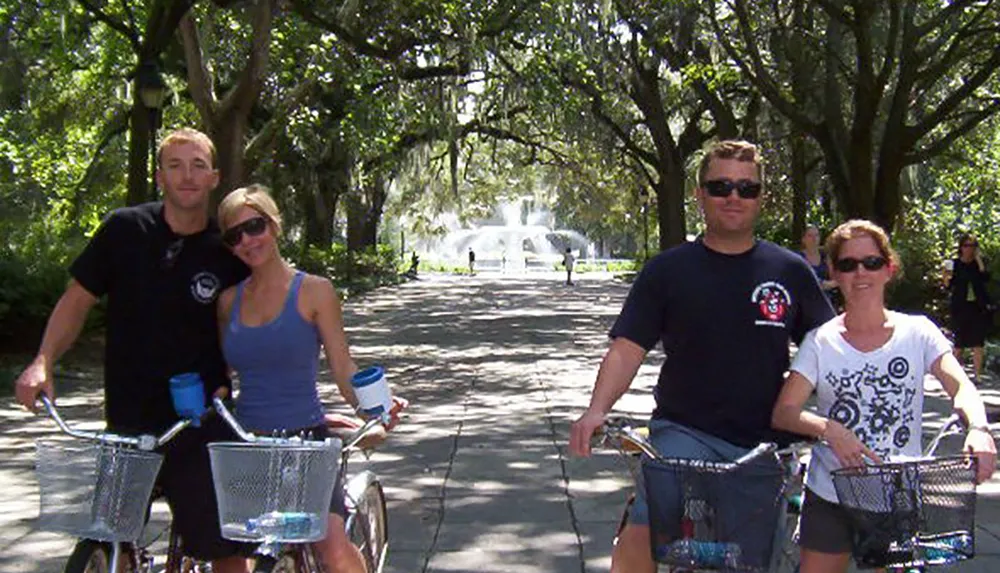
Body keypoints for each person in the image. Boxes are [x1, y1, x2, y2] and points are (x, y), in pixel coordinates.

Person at [568, 140, 835, 573]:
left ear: (761, 197)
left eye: (747, 188)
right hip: (684, 433)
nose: (734, 196)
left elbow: (829, 351)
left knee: (747, 560)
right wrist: (596, 410)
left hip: (764, 444)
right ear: (700, 194)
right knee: (644, 529)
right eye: (721, 186)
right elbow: (627, 348)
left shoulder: (788, 271)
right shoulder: (667, 271)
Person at [14, 128, 253, 573]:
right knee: (111, 536)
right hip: (128, 420)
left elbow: (264, 316)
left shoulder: (229, 249)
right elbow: (76, 300)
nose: (187, 176)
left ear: (214, 177)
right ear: (160, 176)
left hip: (199, 421)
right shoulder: (124, 230)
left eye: (198, 166)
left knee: (224, 549)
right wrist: (42, 361)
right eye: (175, 165)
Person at [771, 219, 996, 573]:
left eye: (871, 262)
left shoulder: (918, 333)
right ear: (834, 272)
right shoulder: (820, 341)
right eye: (847, 264)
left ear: (889, 268)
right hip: (830, 493)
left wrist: (979, 429)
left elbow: (961, 386)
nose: (860, 273)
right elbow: (785, 412)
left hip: (897, 494)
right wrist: (830, 429)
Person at [217, 184, 398, 573]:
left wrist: (376, 408)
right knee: (227, 554)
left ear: (275, 224)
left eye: (255, 226)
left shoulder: (315, 292)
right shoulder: (228, 302)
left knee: (331, 547)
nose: (248, 240)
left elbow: (343, 368)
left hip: (306, 444)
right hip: (247, 443)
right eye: (235, 235)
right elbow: (219, 373)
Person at [943, 233, 993, 381]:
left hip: (977, 306)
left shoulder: (978, 264)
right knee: (959, 343)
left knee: (978, 342)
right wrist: (945, 276)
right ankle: (953, 375)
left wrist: (979, 261)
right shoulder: (955, 264)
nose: (969, 249)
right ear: (961, 247)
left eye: (972, 246)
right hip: (960, 306)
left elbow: (985, 279)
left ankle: (977, 376)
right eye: (966, 245)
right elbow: (948, 286)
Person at [799, 224, 839, 303]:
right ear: (803, 239)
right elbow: (807, 282)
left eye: (816, 235)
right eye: (810, 236)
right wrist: (831, 284)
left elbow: (835, 276)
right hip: (806, 299)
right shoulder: (799, 258)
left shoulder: (825, 255)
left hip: (827, 299)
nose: (814, 239)